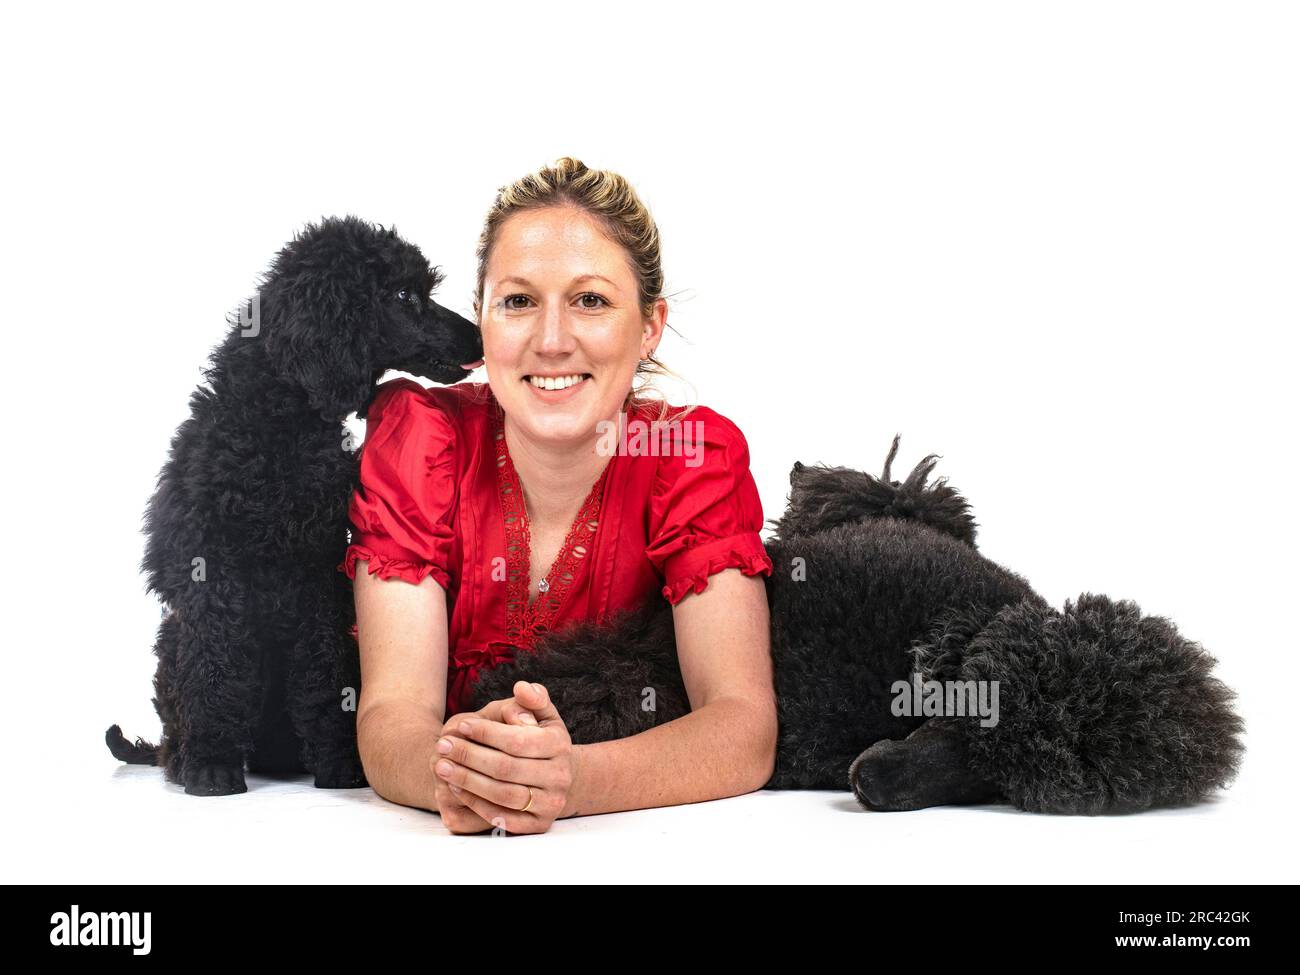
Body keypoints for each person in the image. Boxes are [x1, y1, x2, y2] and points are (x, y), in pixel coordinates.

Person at [342, 157, 776, 834]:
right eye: (518, 301)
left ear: (650, 325)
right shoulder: (418, 440)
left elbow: (743, 726)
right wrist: (457, 774)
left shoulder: (690, 457)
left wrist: (568, 781)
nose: (550, 341)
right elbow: (391, 713)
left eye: (591, 300)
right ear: (482, 321)